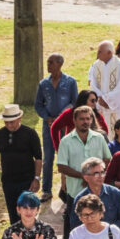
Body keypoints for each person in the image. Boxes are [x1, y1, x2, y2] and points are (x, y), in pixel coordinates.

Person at [56, 106, 112, 239]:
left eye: (88, 118)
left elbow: (107, 158)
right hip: (75, 191)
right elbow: (61, 166)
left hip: (97, 191)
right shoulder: (66, 141)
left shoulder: (99, 138)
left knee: (98, 223)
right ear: (74, 120)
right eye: (82, 119)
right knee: (76, 227)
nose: (85, 122)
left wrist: (96, 176)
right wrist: (84, 176)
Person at [0, 104, 42, 224]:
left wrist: (36, 178)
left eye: (12, 122)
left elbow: (38, 158)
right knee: (13, 214)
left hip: (27, 181)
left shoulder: (30, 134)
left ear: (19, 118)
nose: (9, 125)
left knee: (27, 212)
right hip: (8, 181)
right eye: (6, 122)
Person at [34, 52, 77, 201]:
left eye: (51, 62)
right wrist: (47, 117)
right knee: (48, 157)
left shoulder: (70, 82)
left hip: (65, 126)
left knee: (67, 157)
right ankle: (46, 190)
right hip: (49, 125)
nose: (48, 65)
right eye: (47, 62)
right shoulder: (43, 84)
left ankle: (68, 189)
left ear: (60, 64)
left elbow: (74, 102)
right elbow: (38, 104)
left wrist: (61, 116)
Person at [69, 157, 120, 236]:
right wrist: (95, 234)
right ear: (86, 177)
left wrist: (108, 232)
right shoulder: (80, 199)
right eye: (96, 173)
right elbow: (75, 225)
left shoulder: (115, 193)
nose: (100, 176)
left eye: (102, 172)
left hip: (113, 238)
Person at [88, 40, 120, 132]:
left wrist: (107, 100)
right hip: (101, 105)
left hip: (115, 108)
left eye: (100, 51)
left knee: (115, 131)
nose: (97, 54)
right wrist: (100, 98)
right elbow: (93, 84)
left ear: (109, 53)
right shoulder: (96, 65)